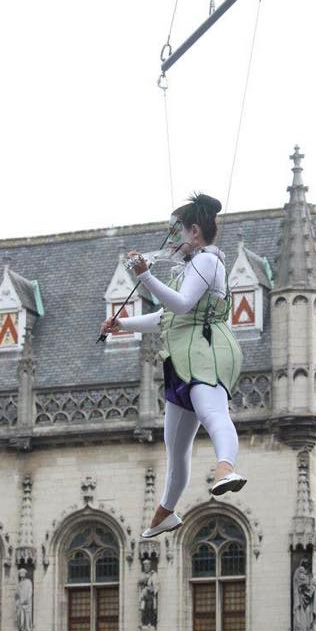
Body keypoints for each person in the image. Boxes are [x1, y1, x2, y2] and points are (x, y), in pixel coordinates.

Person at [101, 192, 244, 537]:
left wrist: (147, 277)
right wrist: (124, 325)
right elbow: (167, 316)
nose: (176, 239)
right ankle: (165, 512)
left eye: (180, 232)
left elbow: (180, 306)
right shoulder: (192, 268)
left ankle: (225, 469)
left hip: (203, 351)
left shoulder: (208, 262)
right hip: (182, 357)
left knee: (213, 413)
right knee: (175, 444)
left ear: (194, 231)